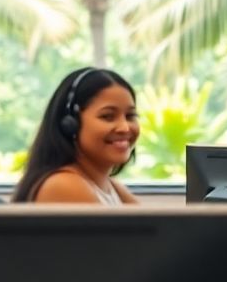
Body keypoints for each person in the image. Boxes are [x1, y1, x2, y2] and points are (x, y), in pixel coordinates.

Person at [12, 67, 140, 205]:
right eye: (107, 116)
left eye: (130, 116)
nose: (125, 127)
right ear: (70, 124)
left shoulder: (111, 187)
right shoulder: (64, 185)